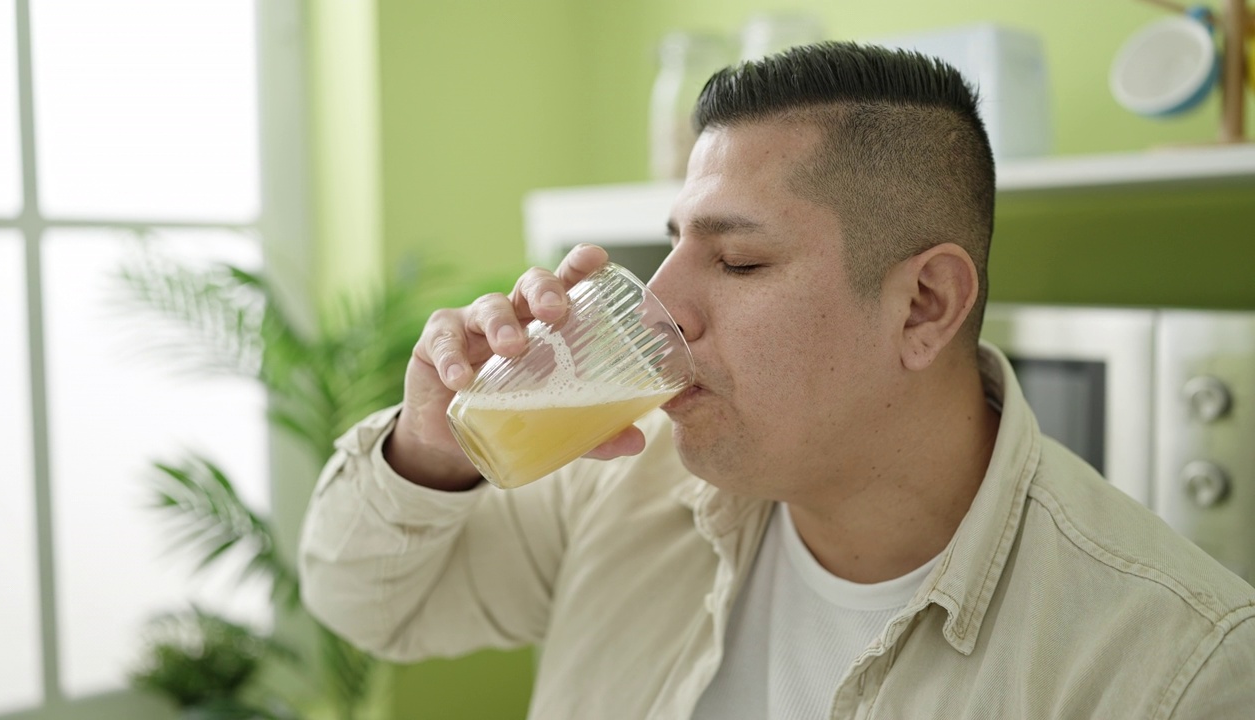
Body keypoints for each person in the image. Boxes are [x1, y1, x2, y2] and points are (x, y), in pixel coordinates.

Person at [298, 42, 1255, 719]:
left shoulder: (1175, 668)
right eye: (671, 247)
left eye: (740, 263)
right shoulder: (622, 478)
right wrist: (427, 449)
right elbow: (368, 604)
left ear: (925, 305)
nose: (660, 305)